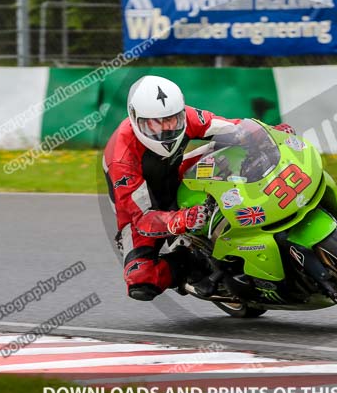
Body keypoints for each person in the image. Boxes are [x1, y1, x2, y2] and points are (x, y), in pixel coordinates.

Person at [103, 75, 294, 301]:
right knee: (141, 280)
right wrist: (182, 220)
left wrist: (267, 133)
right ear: (135, 119)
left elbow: (232, 128)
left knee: (233, 146)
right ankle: (192, 267)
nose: (166, 129)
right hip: (141, 209)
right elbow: (142, 218)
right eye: (155, 123)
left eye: (171, 120)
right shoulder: (121, 158)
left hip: (177, 175)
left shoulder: (188, 116)